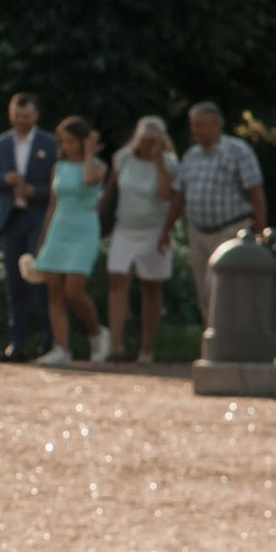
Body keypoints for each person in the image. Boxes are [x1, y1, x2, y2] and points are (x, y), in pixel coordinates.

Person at [0, 92, 57, 361]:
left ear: (36, 115)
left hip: (38, 219)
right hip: (10, 219)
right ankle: (17, 343)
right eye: (17, 115)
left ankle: (49, 340)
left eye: (26, 116)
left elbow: (60, 186)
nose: (21, 120)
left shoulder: (50, 143)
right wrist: (4, 179)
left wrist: (35, 190)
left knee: (40, 280)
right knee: (14, 284)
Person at [102, 115, 181, 366]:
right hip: (125, 227)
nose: (148, 146)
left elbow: (166, 194)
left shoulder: (169, 163)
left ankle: (147, 349)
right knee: (117, 278)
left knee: (151, 287)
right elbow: (110, 189)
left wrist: (158, 162)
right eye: (145, 141)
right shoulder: (122, 157)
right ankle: (115, 345)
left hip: (154, 230)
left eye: (153, 142)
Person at [31, 114, 109, 367]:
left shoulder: (98, 166)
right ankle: (61, 347)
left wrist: (88, 150)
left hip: (84, 230)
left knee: (74, 291)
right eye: (63, 141)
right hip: (58, 230)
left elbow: (88, 179)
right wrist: (42, 240)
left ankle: (97, 333)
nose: (66, 146)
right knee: (53, 290)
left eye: (72, 141)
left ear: (83, 141)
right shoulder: (59, 167)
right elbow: (53, 205)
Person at [175, 103, 265, 265]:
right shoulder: (191, 156)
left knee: (227, 286)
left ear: (216, 124)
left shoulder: (239, 151)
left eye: (200, 125)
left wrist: (260, 231)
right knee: (204, 288)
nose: (195, 130)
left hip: (230, 232)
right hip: (198, 234)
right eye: (193, 125)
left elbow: (256, 193)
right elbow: (179, 195)